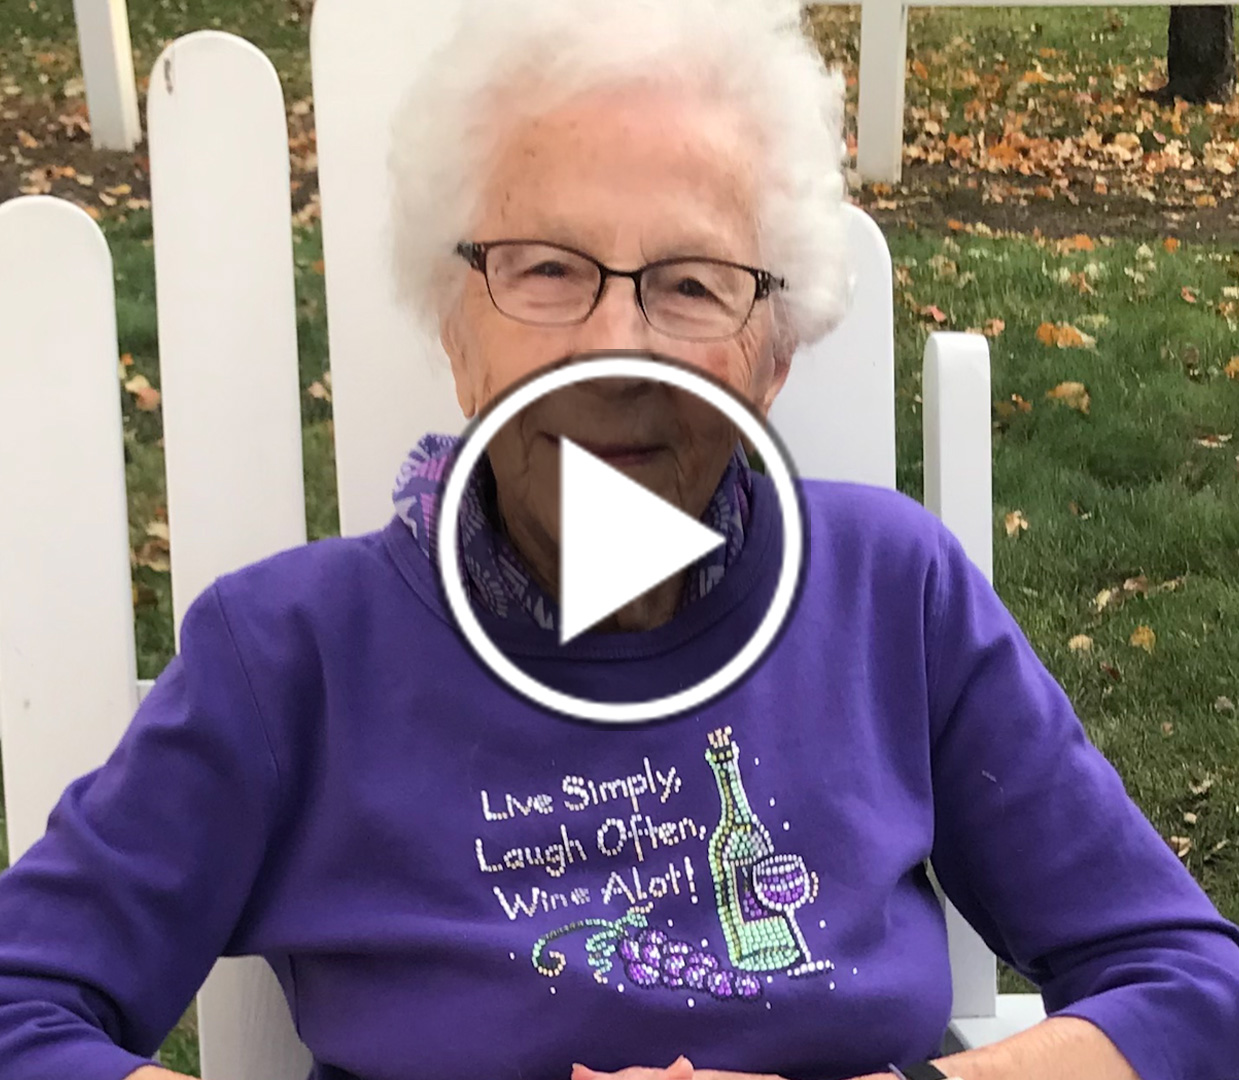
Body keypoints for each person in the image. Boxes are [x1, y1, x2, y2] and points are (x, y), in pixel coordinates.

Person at [0, 1, 1237, 1079]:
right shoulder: (290, 657)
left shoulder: (891, 597)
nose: (614, 350)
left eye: (692, 285)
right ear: (456, 328)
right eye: (548, 270)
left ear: (774, 358)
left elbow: (1192, 987)